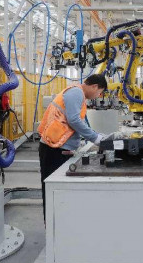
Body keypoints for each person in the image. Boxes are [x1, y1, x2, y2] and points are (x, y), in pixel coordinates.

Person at [37, 74, 107, 220]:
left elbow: (76, 121)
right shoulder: (76, 93)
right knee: (52, 190)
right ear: (94, 86)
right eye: (99, 92)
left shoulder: (78, 94)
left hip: (58, 146)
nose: (97, 96)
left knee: (56, 190)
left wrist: (89, 137)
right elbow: (74, 120)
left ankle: (57, 224)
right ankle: (51, 227)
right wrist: (96, 139)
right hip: (53, 149)